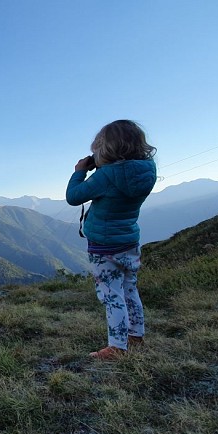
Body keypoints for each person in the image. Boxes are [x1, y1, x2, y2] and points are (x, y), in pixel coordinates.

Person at [66, 120, 157, 360]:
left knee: (111, 295)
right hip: (129, 242)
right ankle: (136, 336)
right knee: (129, 289)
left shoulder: (105, 176)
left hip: (104, 246)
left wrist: (80, 172)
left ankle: (116, 347)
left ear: (106, 149)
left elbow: (73, 197)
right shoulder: (147, 171)